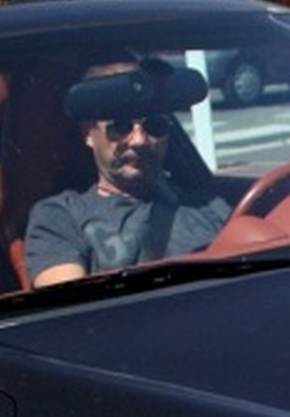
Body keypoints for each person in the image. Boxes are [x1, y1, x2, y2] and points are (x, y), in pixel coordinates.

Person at [22, 57, 229, 288]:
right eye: (120, 126)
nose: (140, 140)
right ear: (88, 134)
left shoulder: (207, 206)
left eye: (154, 125)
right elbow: (71, 312)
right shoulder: (60, 217)